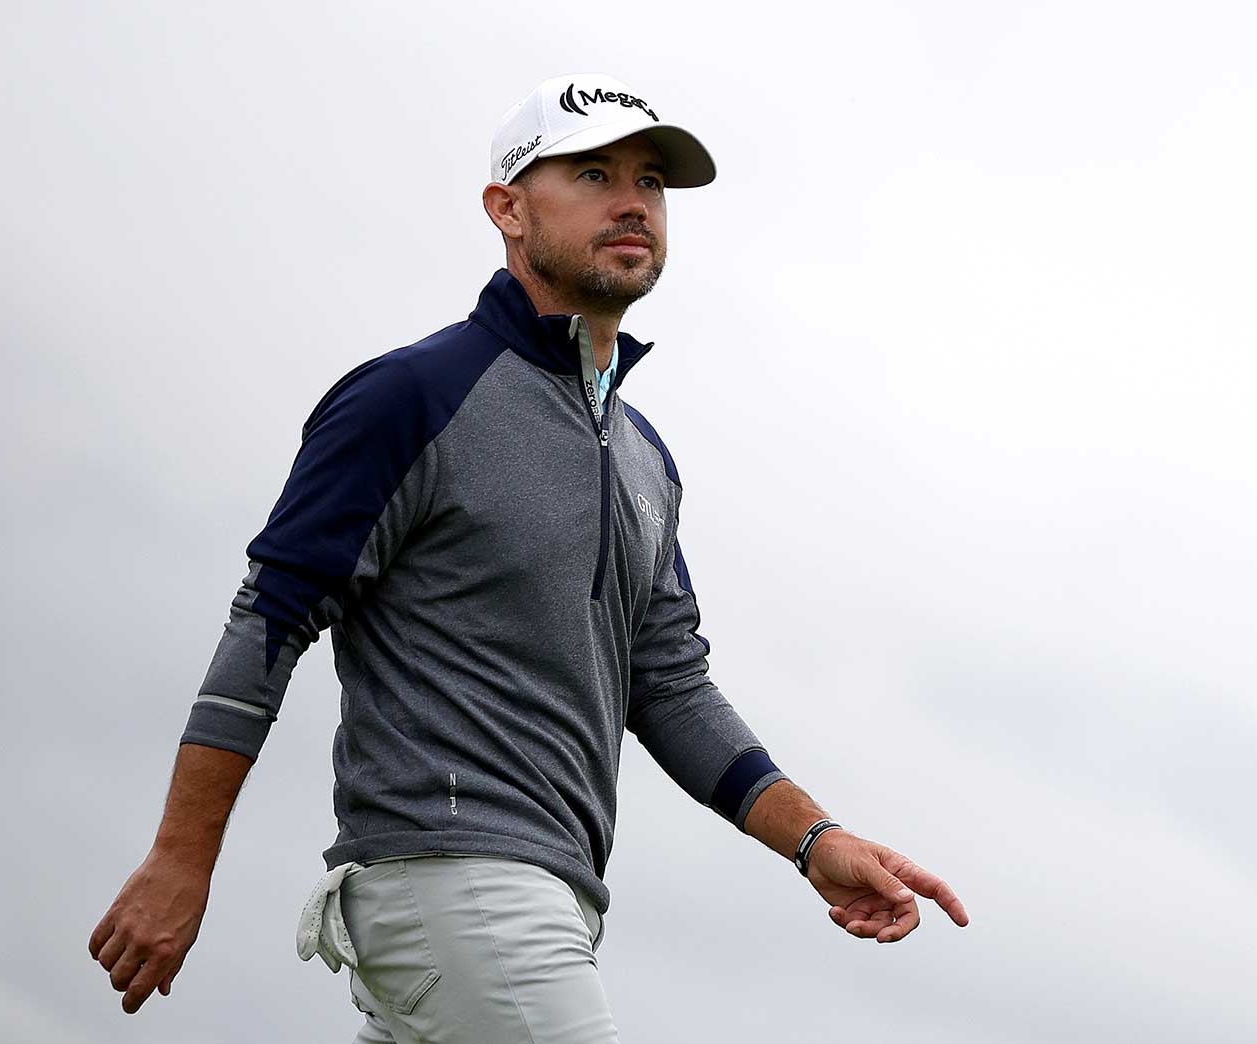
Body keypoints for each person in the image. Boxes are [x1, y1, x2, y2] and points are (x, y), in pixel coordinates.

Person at [86, 72, 970, 1042]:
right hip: (459, 885)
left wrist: (813, 839)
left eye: (648, 180)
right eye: (592, 173)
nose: (631, 200)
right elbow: (267, 625)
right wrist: (181, 857)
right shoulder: (410, 399)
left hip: (540, 899)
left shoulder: (642, 457)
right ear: (506, 208)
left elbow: (667, 684)